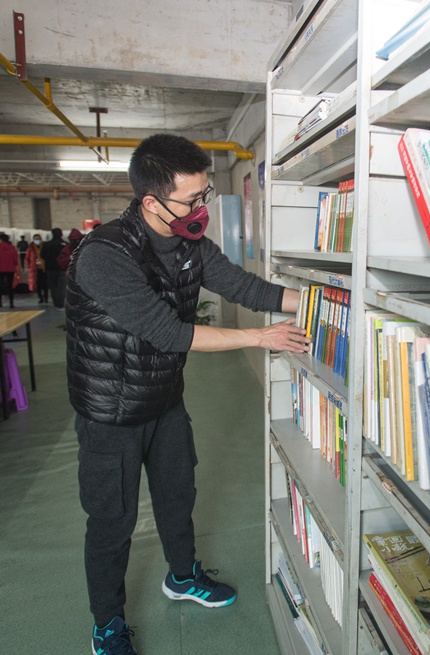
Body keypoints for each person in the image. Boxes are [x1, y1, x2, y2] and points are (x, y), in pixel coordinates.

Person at [66, 134, 311, 655]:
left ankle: (182, 576)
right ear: (151, 202)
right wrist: (259, 338)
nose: (202, 209)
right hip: (111, 413)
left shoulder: (190, 243)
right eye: (192, 199)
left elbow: (246, 288)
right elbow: (168, 332)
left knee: (178, 496)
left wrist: (326, 298)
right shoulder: (104, 255)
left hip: (164, 400)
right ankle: (106, 625)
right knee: (112, 522)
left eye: (205, 195)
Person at [43, 227, 67, 308]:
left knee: (53, 286)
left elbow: (42, 255)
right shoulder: (65, 245)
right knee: (61, 286)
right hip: (61, 268)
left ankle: (56, 302)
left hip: (50, 268)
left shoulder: (46, 245)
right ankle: (61, 302)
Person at [25, 233, 49, 303]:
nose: (37, 240)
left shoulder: (44, 246)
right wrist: (29, 266)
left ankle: (46, 296)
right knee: (37, 283)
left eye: (38, 239)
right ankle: (40, 297)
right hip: (35, 268)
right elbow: (27, 258)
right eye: (36, 239)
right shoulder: (30, 248)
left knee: (45, 283)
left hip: (44, 268)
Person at [0, 232, 22, 308]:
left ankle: (0, 303)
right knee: (10, 285)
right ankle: (11, 303)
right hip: (10, 269)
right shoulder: (12, 248)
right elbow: (16, 260)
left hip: (0, 269)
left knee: (0, 284)